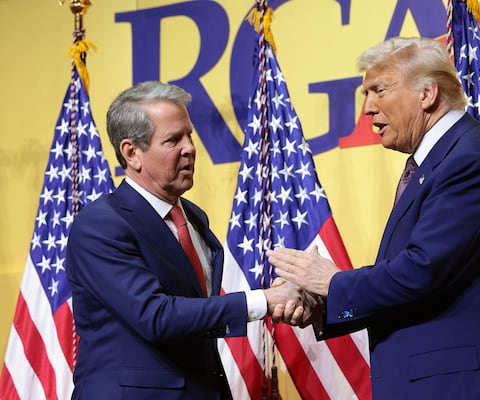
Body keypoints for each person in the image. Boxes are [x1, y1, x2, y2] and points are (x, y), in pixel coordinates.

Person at [268, 36, 480, 399]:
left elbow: (423, 272)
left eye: (378, 90)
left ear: (427, 94)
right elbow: (421, 285)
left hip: (466, 386)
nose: (367, 108)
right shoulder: (436, 163)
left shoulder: (468, 161)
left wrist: (331, 283)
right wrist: (324, 306)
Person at [65, 81, 303, 400]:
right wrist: (262, 302)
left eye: (189, 135)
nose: (190, 148)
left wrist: (276, 298)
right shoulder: (101, 224)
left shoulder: (193, 217)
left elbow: (196, 314)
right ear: (131, 153)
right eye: (173, 139)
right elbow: (156, 316)